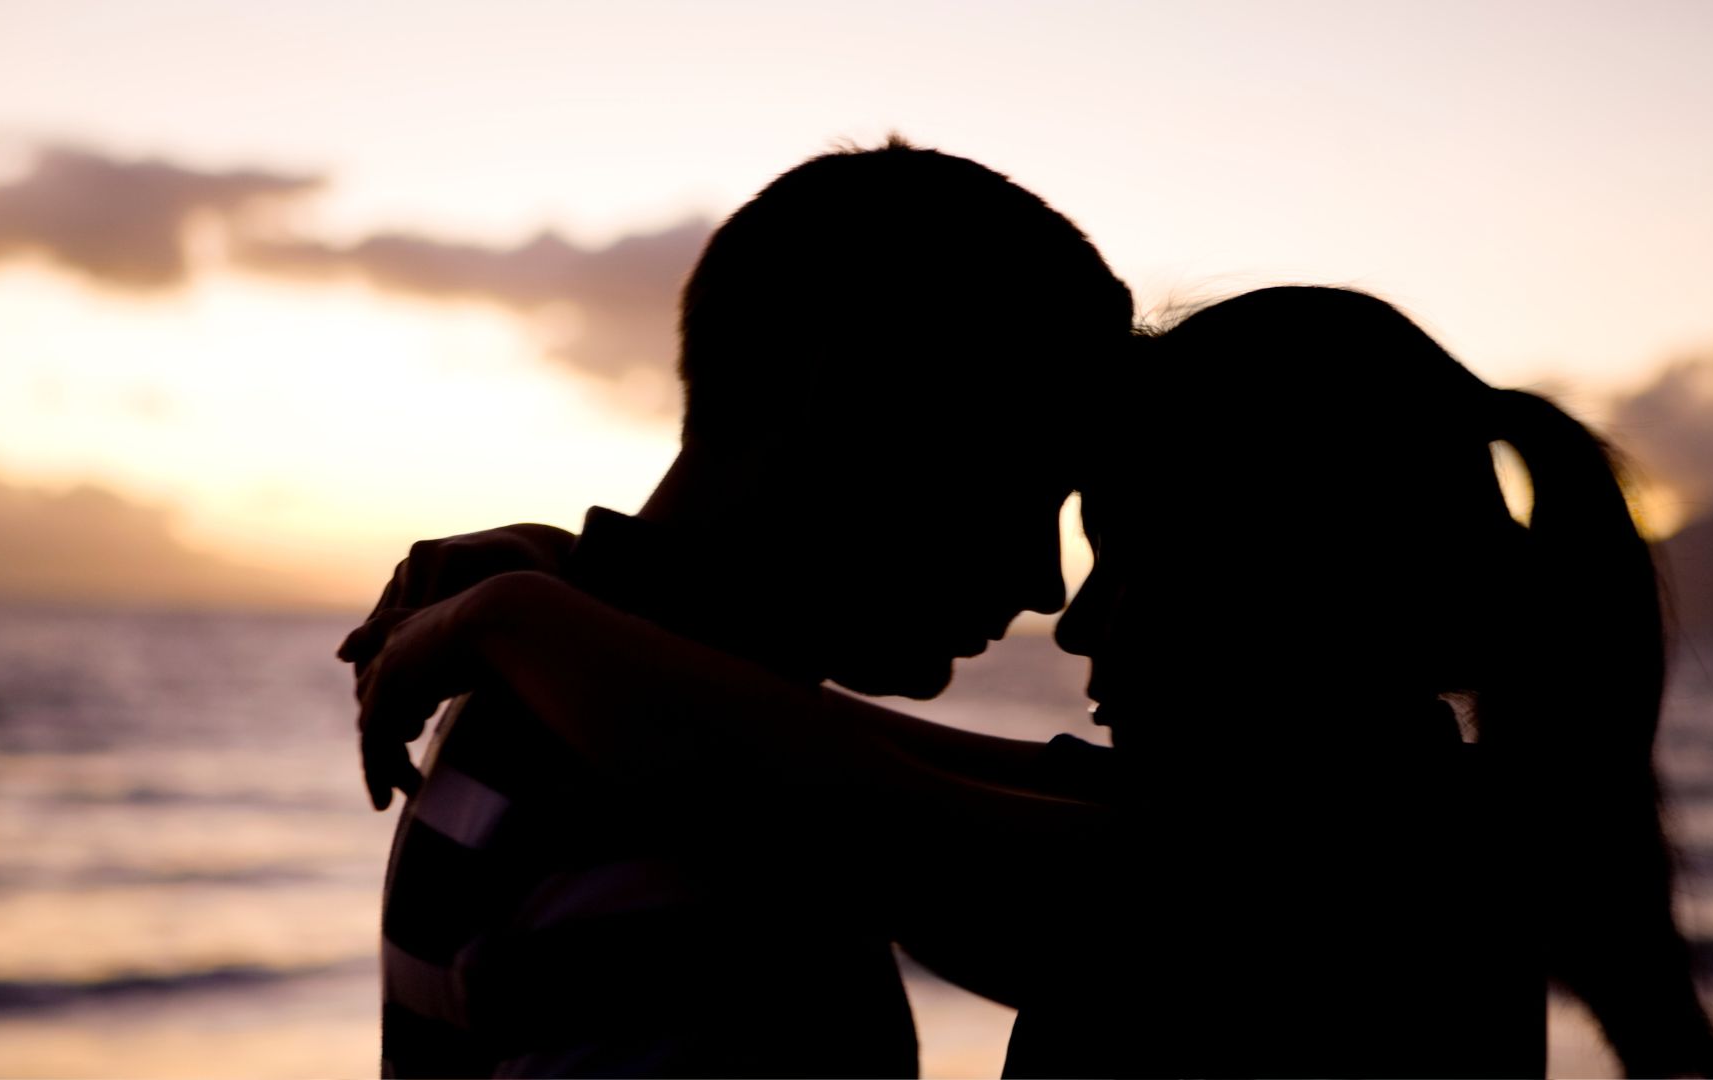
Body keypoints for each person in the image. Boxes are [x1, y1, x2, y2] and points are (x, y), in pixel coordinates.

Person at [347, 286, 1713, 1076]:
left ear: (1295, 578)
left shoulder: (1358, 881)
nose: (1077, 625)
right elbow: (832, 741)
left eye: (1134, 563)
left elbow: (847, 799)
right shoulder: (1353, 819)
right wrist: (569, 590)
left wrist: (528, 611)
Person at [342, 138, 1133, 1077]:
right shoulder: (693, 833)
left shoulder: (622, 733)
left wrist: (539, 604)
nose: (1046, 586)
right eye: (1022, 488)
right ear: (852, 398)